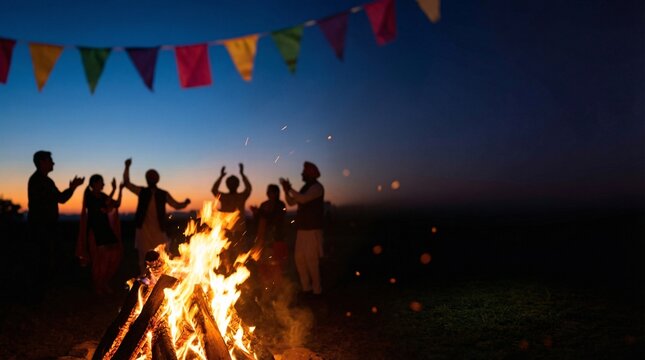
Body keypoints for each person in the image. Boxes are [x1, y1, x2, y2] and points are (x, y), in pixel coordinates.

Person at [27, 150, 84, 299]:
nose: (53, 163)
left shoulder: (45, 180)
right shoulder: (39, 181)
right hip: (41, 228)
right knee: (42, 259)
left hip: (46, 227)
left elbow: (60, 198)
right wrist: (72, 188)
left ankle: (42, 291)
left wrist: (72, 188)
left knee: (47, 258)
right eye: (50, 160)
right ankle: (36, 294)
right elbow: (59, 198)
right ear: (42, 162)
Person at [123, 158, 191, 274]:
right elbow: (127, 183)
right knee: (144, 257)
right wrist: (127, 167)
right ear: (147, 179)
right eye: (150, 177)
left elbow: (175, 205)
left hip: (159, 230)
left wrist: (185, 203)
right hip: (143, 230)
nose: (152, 178)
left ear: (157, 179)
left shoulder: (163, 194)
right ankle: (145, 282)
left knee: (162, 254)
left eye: (154, 177)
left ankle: (160, 279)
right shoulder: (142, 191)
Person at [280, 161, 325, 296]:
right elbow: (291, 202)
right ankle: (306, 289)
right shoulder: (306, 187)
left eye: (304, 172)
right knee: (299, 259)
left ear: (310, 174)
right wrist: (286, 190)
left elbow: (303, 199)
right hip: (302, 231)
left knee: (312, 261)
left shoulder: (317, 188)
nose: (301, 174)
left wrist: (290, 188)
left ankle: (317, 291)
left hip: (312, 231)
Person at [75, 175, 124, 295]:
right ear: (95, 183)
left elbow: (116, 204)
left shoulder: (102, 196)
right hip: (96, 231)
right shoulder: (89, 195)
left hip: (106, 230)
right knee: (99, 260)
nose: (103, 185)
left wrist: (120, 190)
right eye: (101, 182)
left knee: (112, 255)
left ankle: (104, 282)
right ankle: (98, 285)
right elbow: (104, 206)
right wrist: (113, 190)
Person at [250, 184, 288, 289]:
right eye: (268, 192)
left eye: (271, 192)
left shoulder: (280, 205)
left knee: (276, 265)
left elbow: (275, 219)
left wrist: (261, 212)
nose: (269, 194)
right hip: (264, 239)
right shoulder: (264, 204)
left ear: (276, 193)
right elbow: (259, 219)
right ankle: (266, 287)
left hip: (277, 239)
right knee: (264, 264)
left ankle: (278, 289)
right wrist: (256, 213)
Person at [211, 163, 252, 241]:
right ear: (227, 184)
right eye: (230, 183)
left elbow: (248, 189)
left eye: (234, 183)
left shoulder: (241, 196)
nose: (232, 184)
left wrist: (242, 174)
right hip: (226, 231)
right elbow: (214, 190)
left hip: (239, 232)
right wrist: (221, 176)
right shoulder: (224, 197)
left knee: (240, 253)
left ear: (237, 184)